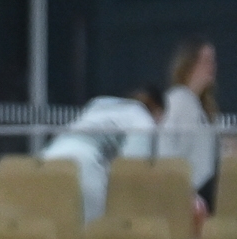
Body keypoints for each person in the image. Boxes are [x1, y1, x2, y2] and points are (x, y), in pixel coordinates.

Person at [40, 88, 163, 222]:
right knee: (91, 230)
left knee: (49, 227)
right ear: (158, 112)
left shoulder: (99, 105)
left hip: (47, 159)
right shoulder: (142, 118)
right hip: (83, 166)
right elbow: (132, 168)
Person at [158, 38, 223, 203]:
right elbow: (167, 148)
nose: (212, 66)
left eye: (213, 61)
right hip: (187, 194)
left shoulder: (203, 108)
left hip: (203, 191)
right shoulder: (178, 101)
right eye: (206, 61)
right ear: (190, 64)